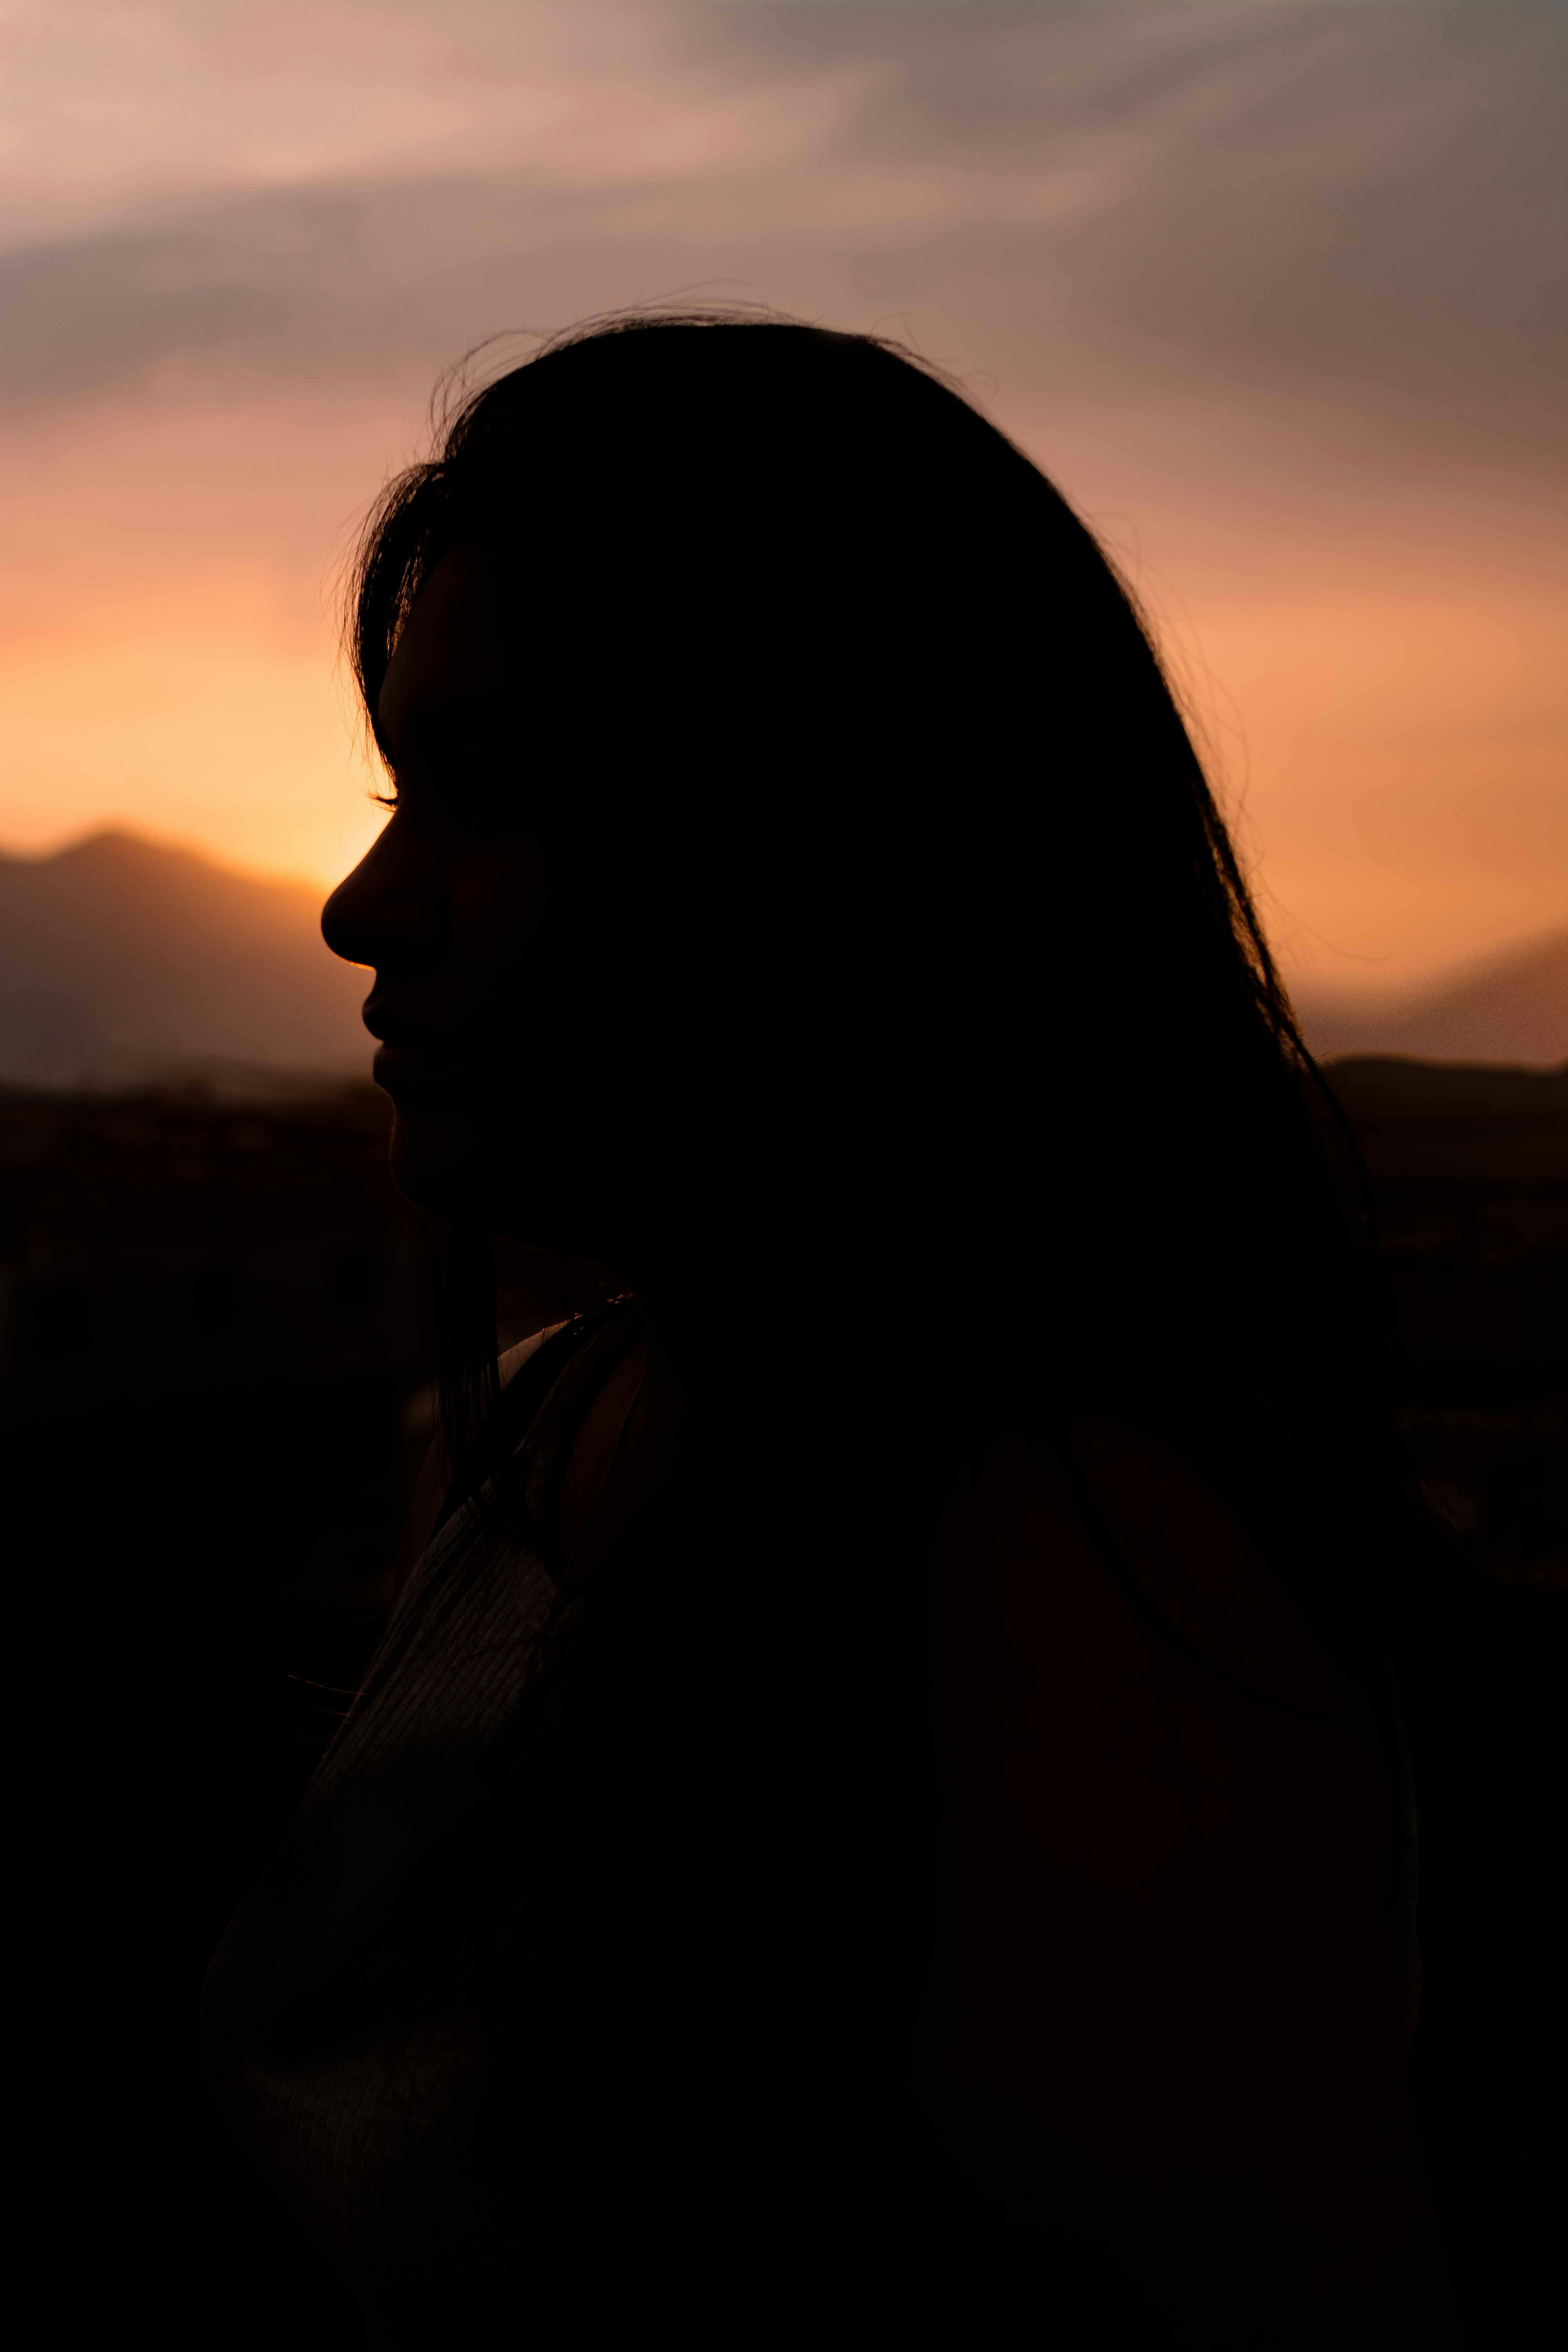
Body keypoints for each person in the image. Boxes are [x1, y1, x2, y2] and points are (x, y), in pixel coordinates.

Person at [199, 307, 1466, 2345]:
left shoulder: (1081, 1586)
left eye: (490, 791)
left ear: (813, 837)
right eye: (393, 790)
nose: (363, 905)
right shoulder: (564, 1423)